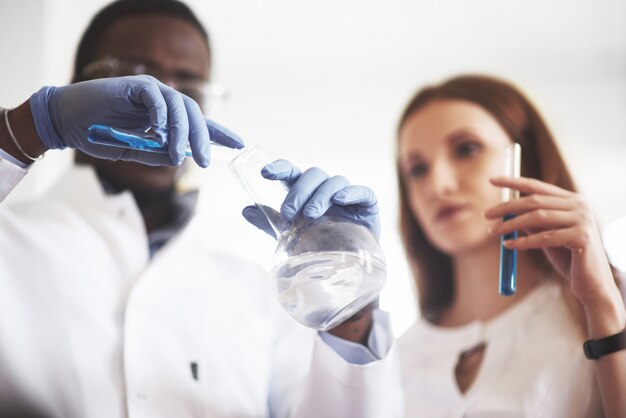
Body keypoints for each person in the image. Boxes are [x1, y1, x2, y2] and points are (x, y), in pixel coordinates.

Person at [0, 0, 401, 416]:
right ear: (84, 88)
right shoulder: (9, 238)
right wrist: (29, 126)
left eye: (189, 90)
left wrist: (350, 301)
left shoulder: (257, 290)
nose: (166, 107)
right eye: (139, 82)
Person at [395, 75, 626, 417]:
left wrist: (605, 310)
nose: (438, 185)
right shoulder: (394, 359)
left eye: (467, 148)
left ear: (527, 161)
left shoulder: (606, 312)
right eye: (417, 170)